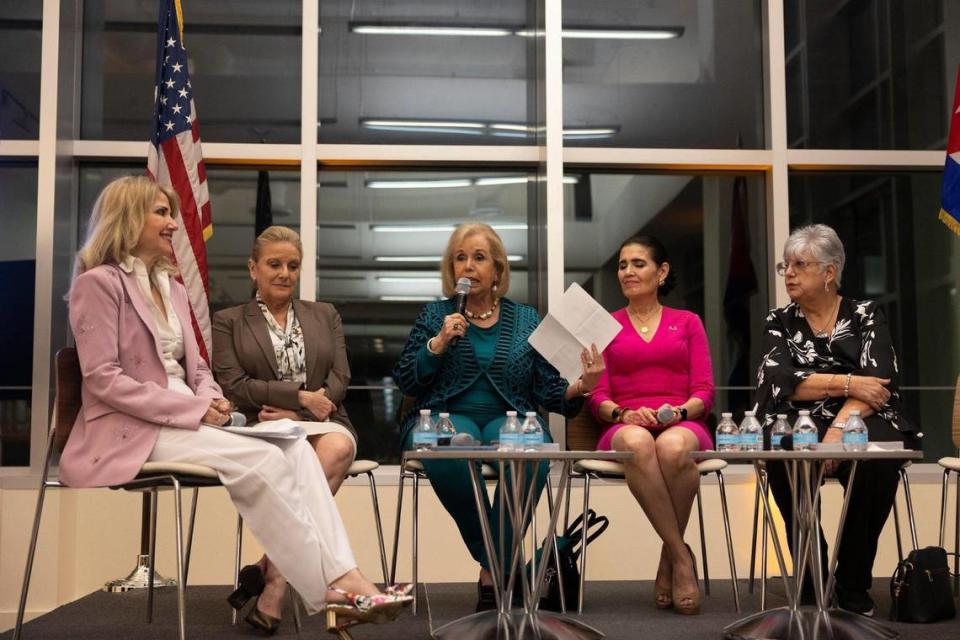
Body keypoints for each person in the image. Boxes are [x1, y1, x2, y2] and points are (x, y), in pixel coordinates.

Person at [59, 176, 410, 635]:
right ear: (129, 219)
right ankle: (338, 587)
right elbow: (103, 380)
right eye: (161, 213)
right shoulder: (98, 284)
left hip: (189, 421)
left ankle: (345, 579)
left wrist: (212, 400)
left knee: (295, 448)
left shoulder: (174, 289)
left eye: (171, 212)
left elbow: (198, 370)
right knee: (263, 457)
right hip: (133, 428)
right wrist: (191, 410)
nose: (172, 222)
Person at [392, 223, 604, 611]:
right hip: (444, 416)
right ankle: (504, 568)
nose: (468, 267)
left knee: (530, 456)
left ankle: (493, 573)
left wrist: (581, 385)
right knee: (452, 447)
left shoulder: (525, 319)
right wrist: (436, 345)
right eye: (460, 258)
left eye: (478, 258)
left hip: (513, 418)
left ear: (497, 271)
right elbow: (406, 378)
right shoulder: (435, 314)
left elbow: (546, 389)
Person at [754, 223, 920, 617]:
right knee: (783, 456)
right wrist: (849, 381)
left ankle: (851, 581)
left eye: (800, 264)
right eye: (785, 266)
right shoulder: (778, 320)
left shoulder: (865, 314)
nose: (789, 273)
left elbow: (879, 382)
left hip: (862, 415)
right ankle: (812, 577)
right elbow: (780, 381)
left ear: (830, 272)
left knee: (877, 463)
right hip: (795, 418)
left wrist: (838, 429)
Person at [587, 235, 713, 615]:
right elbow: (597, 396)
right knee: (641, 443)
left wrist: (678, 412)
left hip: (682, 421)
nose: (627, 271)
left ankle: (667, 557)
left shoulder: (687, 322)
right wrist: (623, 414)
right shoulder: (605, 325)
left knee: (671, 448)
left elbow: (704, 391)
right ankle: (682, 557)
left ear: (662, 272)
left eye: (638, 263)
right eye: (623, 265)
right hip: (624, 424)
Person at [212, 225, 357, 495]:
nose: (284, 274)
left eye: (293, 266)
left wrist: (297, 413)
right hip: (261, 423)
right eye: (274, 264)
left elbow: (340, 376)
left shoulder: (325, 314)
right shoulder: (228, 321)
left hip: (321, 423)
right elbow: (235, 385)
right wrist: (301, 397)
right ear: (253, 269)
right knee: (284, 459)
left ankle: (291, 535)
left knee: (338, 448)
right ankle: (308, 537)